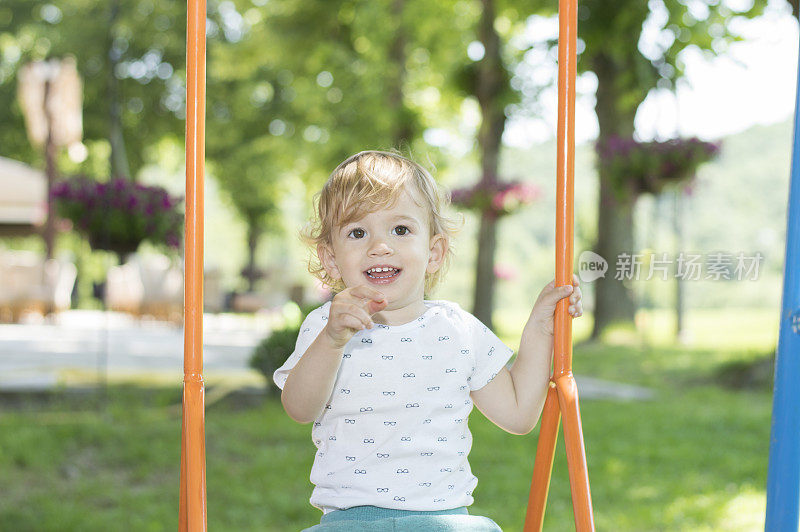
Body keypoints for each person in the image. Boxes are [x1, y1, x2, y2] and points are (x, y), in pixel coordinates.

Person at [274, 151, 583, 531]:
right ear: (332, 259)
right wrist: (332, 341)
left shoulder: (459, 331)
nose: (380, 246)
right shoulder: (325, 326)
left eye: (400, 230)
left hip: (443, 522)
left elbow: (519, 414)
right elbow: (300, 409)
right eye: (358, 232)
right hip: (352, 522)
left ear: (433, 252)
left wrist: (539, 328)